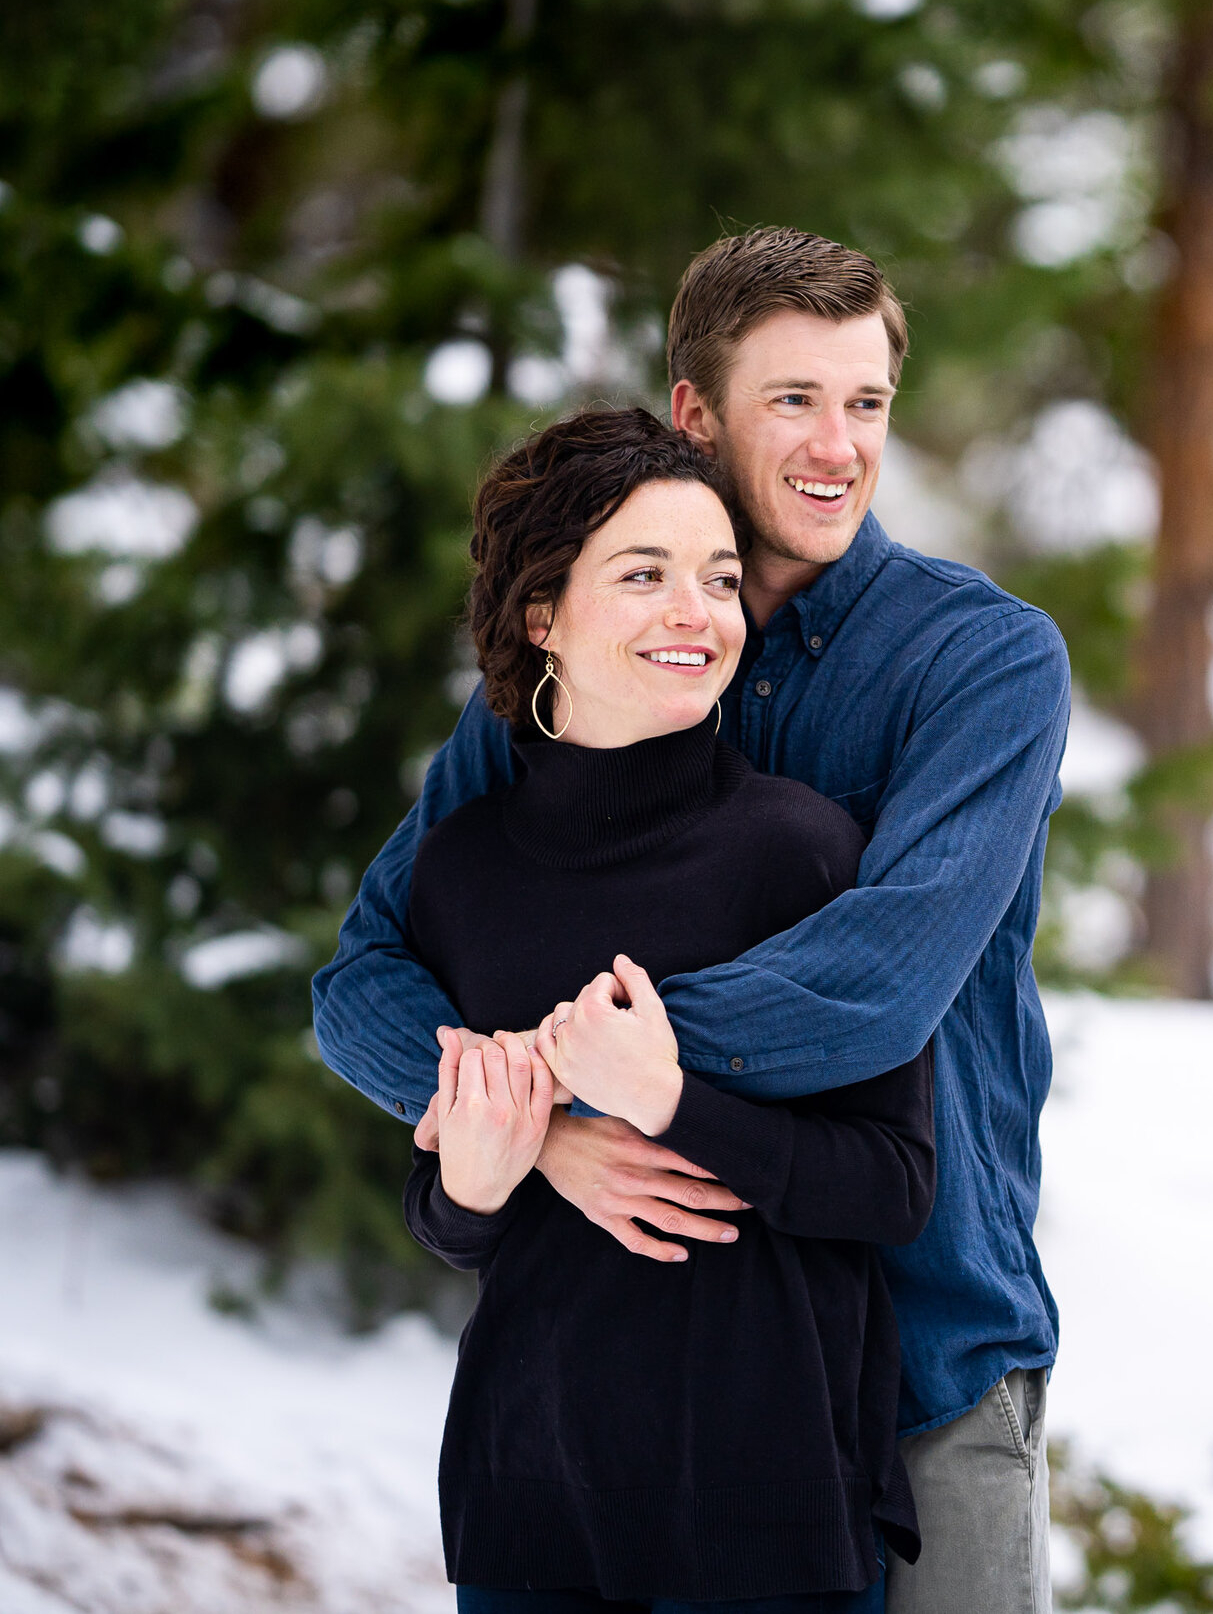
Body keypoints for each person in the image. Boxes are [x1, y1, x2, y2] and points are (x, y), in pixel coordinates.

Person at [314, 230, 1070, 1613]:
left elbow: (878, 981)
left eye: (867, 403)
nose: (837, 445)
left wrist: (599, 1078)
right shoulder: (613, 643)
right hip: (655, 1376)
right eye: (793, 399)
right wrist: (538, 1127)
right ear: (696, 413)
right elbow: (368, 972)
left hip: (932, 1333)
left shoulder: (981, 658)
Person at [405, 407, 933, 1610]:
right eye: (644, 574)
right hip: (526, 1495)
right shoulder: (460, 871)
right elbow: (448, 1209)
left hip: (762, 1503)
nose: (698, 612)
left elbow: (892, 1183)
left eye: (719, 577)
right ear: (543, 611)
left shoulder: (799, 851)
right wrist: (489, 1174)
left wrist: (672, 1098)